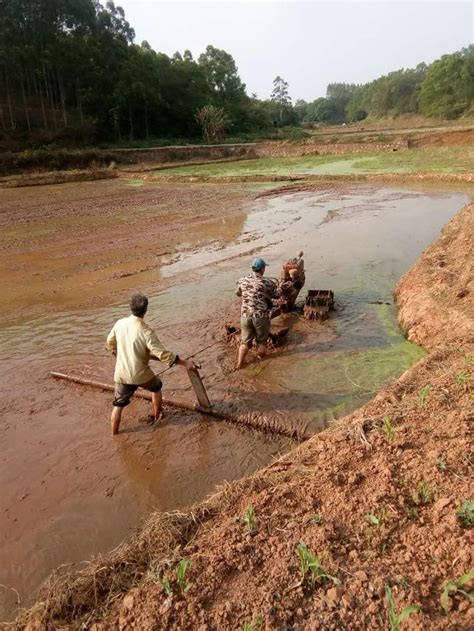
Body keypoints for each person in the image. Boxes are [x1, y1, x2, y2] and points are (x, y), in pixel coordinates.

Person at [106, 292, 196, 435]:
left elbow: (110, 343)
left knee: (118, 405)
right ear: (145, 310)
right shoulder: (146, 331)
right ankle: (158, 415)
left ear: (130, 307)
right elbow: (162, 354)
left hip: (121, 374)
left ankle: (115, 435)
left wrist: (117, 354)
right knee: (156, 387)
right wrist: (185, 363)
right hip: (141, 374)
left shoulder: (119, 323)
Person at [235, 257, 282, 369]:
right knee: (261, 341)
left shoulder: (242, 280)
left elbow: (238, 293)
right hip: (260, 316)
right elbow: (276, 295)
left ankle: (239, 364)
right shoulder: (267, 282)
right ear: (262, 269)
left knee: (245, 342)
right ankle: (259, 360)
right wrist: (280, 287)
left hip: (245, 316)